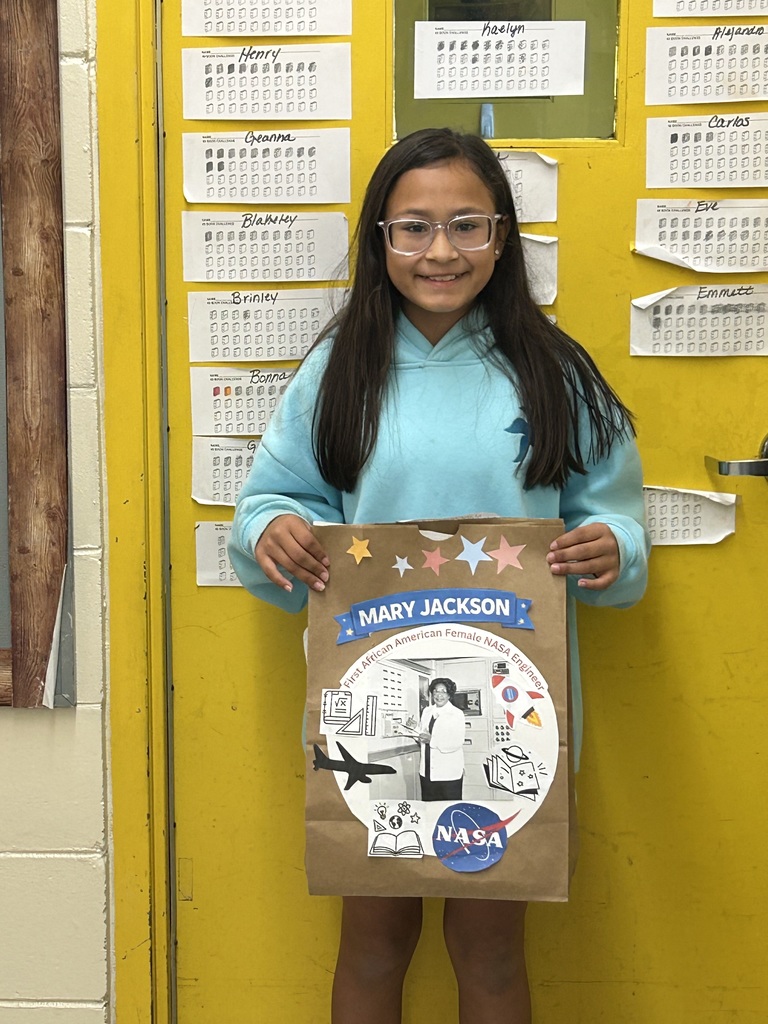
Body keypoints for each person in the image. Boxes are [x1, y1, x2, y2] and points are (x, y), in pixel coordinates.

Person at [229, 127, 649, 1024]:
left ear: (503, 238)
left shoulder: (553, 372)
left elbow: (614, 512)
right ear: (379, 241)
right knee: (373, 938)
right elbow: (270, 499)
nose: (440, 251)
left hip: (510, 701)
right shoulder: (339, 370)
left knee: (491, 945)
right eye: (412, 228)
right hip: (373, 693)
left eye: (467, 224)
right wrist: (276, 530)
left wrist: (614, 548)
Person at [418, 677, 465, 801]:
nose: (439, 695)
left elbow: (457, 742)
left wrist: (431, 741)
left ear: (449, 694)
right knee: (429, 808)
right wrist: (414, 731)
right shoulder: (427, 711)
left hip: (448, 773)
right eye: (435, 691)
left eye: (443, 691)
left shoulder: (456, 714)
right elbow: (423, 734)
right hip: (427, 771)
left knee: (449, 809)